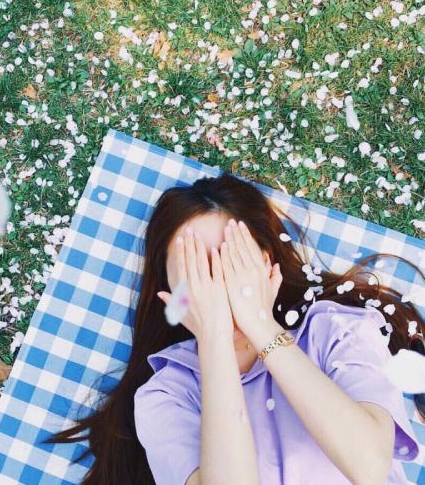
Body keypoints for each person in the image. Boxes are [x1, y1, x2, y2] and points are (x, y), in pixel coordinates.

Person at [45, 171, 423, 485]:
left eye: (229, 263)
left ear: (266, 263)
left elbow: (369, 467)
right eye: (195, 273)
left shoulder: (338, 329)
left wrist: (260, 325)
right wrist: (214, 341)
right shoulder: (166, 394)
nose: (215, 287)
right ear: (170, 296)